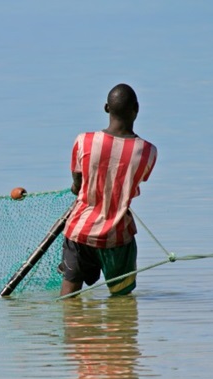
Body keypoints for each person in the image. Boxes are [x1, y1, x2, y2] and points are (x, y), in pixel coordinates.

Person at [59, 83, 157, 297]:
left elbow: (77, 185)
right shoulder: (148, 151)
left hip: (79, 232)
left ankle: (73, 327)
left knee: (68, 297)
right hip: (117, 236)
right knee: (121, 303)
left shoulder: (83, 141)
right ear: (137, 108)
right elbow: (135, 181)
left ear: (106, 108)